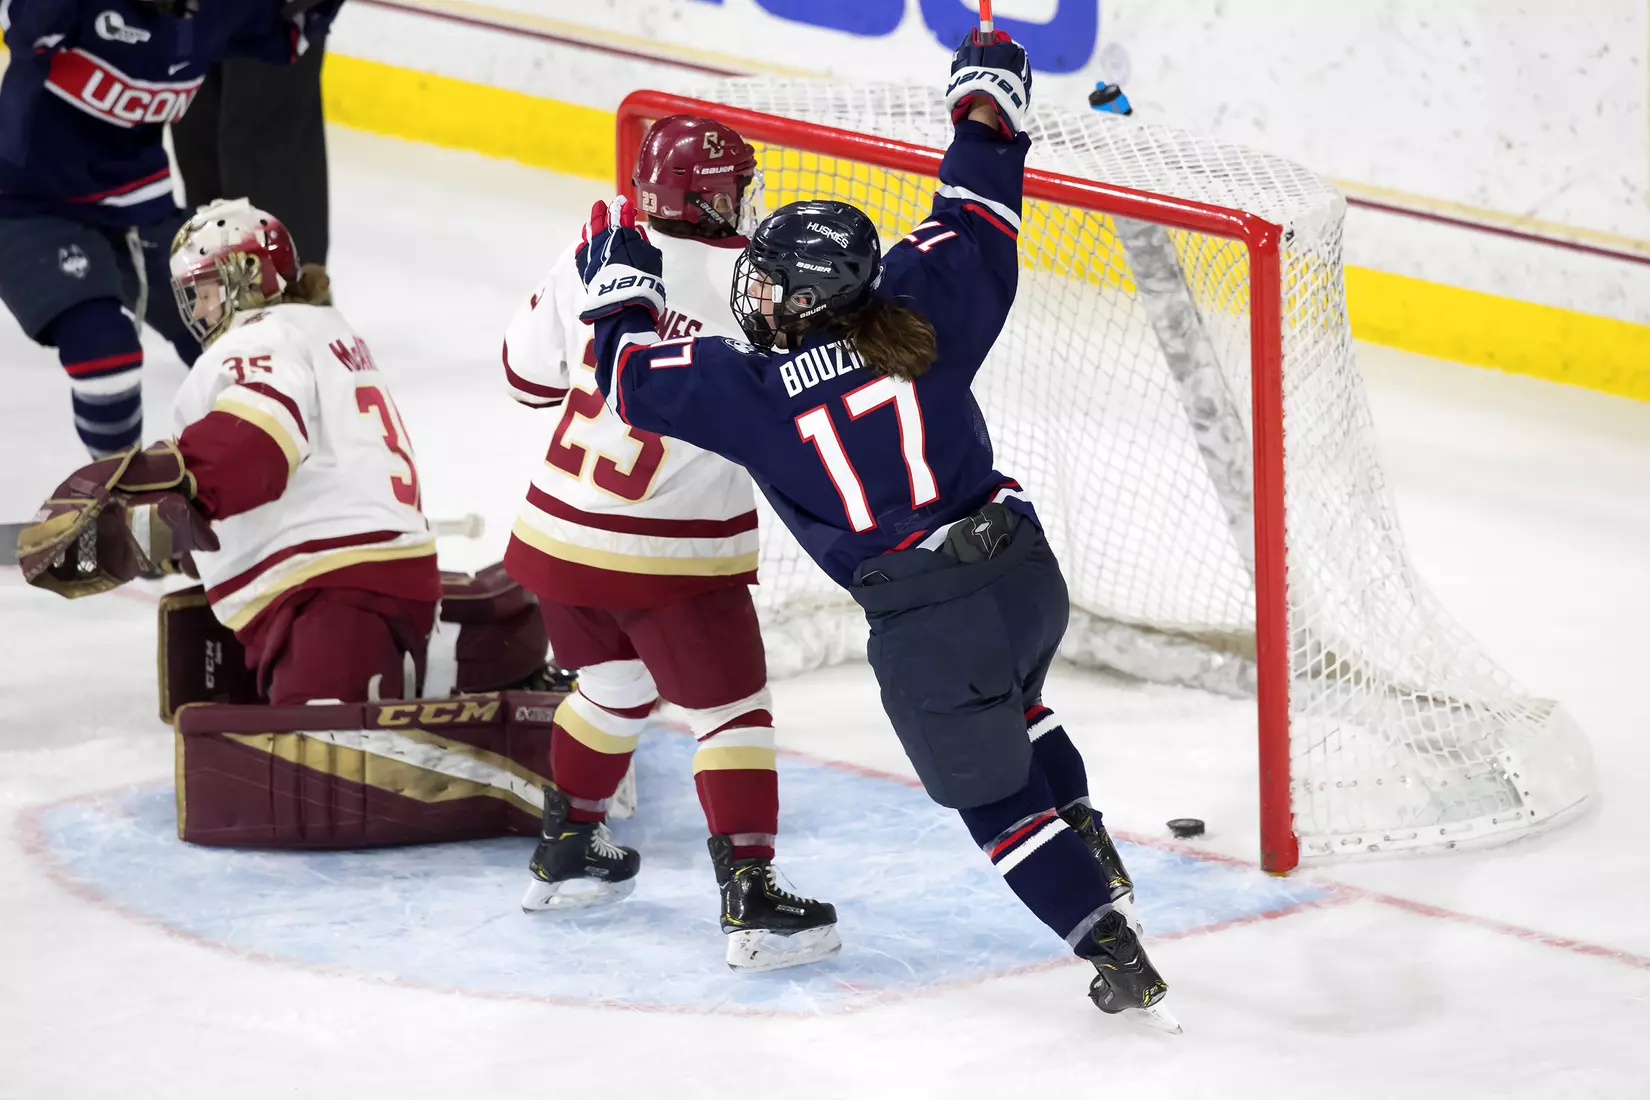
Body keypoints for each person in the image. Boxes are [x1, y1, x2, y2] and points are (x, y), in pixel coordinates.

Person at [573, 32, 1176, 1026]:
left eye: (770, 286)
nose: (754, 295)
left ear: (807, 298)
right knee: (1016, 700)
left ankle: (1106, 940)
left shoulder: (754, 392)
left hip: (930, 618)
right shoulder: (924, 305)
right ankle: (1087, 828)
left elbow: (629, 373)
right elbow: (977, 194)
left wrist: (621, 282)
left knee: (989, 796)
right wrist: (984, 96)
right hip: (1025, 578)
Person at [500, 115, 838, 972]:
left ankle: (567, 846)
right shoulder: (753, 278)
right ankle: (753, 900)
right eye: (736, 186)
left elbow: (522, 377)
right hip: (671, 554)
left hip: (555, 538)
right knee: (731, 710)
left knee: (611, 686)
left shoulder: (600, 251)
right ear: (713, 195)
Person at [18, 198, 440, 706]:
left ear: (248, 276)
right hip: (373, 577)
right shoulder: (327, 331)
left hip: (331, 595)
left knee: (324, 765)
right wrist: (167, 539)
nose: (195, 310)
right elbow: (305, 473)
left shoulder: (259, 338)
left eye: (204, 291)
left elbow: (258, 441)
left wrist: (163, 477)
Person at [0, 0, 337, 459]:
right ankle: (116, 497)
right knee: (105, 350)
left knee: (248, 345)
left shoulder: (222, 12)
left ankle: (280, 500)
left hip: (143, 205)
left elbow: (290, 34)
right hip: (29, 204)